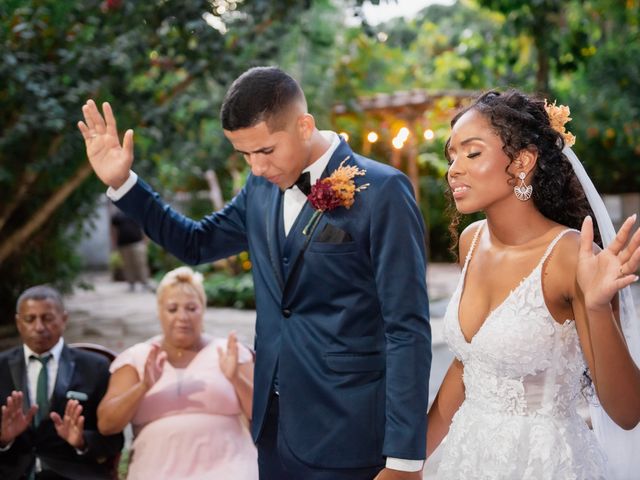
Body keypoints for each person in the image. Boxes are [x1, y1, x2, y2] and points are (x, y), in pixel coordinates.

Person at [78, 66, 431, 479]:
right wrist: (124, 183)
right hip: (273, 429)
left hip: (348, 429)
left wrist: (405, 458)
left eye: (265, 151)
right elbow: (195, 243)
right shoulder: (260, 188)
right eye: (244, 155)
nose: (257, 168)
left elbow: (406, 328)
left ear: (304, 125)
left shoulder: (383, 191)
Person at [425, 90, 640, 479]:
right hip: (466, 459)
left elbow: (627, 412)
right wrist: (406, 462)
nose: (453, 168)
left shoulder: (570, 256)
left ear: (522, 161)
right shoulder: (470, 242)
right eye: (451, 155)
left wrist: (595, 307)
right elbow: (469, 365)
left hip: (542, 464)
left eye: (472, 153)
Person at [96, 266, 257, 479]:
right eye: (173, 309)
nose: (183, 317)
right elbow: (107, 425)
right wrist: (142, 387)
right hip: (156, 470)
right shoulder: (137, 357)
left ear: (203, 309)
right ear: (159, 311)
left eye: (191, 308)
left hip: (231, 467)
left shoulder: (230, 352)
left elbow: (263, 415)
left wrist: (235, 378)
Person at [0, 285, 124, 479]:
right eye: (30, 319)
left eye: (47, 318)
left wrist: (81, 441)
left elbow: (114, 441)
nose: (39, 327)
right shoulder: (1, 366)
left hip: (73, 473)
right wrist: (3, 439)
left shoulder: (95, 367)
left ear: (64, 319)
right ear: (18, 322)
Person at [110, 208, 153, 292]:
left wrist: (146, 241)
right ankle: (131, 284)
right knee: (127, 265)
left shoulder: (135, 212)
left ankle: (145, 283)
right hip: (123, 244)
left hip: (137, 243)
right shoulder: (117, 216)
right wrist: (114, 243)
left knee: (141, 264)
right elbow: (113, 230)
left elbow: (144, 226)